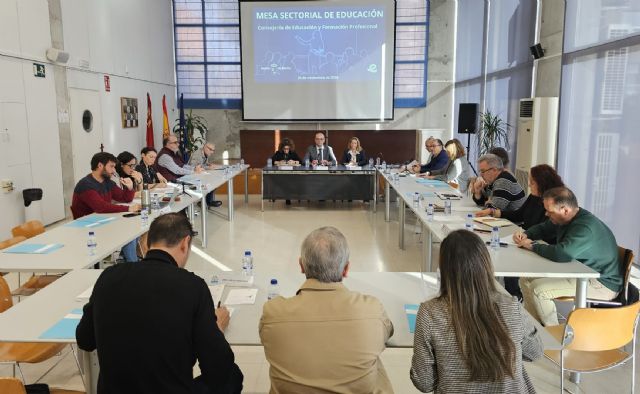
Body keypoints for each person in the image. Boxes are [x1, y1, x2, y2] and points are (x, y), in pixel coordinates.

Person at [76, 213, 243, 394]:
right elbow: (218, 365)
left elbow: (85, 340)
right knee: (231, 376)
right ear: (185, 243)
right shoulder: (193, 286)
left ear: (147, 243)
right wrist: (215, 328)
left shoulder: (109, 276)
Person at [260, 227, 394, 393]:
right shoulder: (373, 310)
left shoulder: (272, 312)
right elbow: (388, 333)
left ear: (301, 265)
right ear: (346, 269)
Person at [410, 230, 543, 393]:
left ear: (444, 268)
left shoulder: (429, 313)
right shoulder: (511, 306)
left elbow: (424, 383)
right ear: (486, 264)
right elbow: (535, 352)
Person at [514, 187, 623, 326]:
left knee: (537, 290)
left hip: (601, 284)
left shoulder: (585, 227)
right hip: (580, 271)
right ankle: (534, 329)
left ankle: (554, 337)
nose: (546, 214)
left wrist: (533, 246)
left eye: (549, 211)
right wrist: (527, 234)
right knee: (525, 278)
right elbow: (544, 228)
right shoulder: (565, 219)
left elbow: (561, 254)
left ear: (565, 210)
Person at [476, 164, 565, 299]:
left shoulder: (555, 202)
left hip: (543, 247)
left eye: (532, 182)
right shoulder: (534, 197)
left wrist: (528, 237)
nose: (529, 185)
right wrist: (493, 212)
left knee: (509, 260)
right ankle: (511, 295)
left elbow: (548, 230)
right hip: (526, 240)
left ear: (543, 182)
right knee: (504, 255)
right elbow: (519, 214)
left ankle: (514, 296)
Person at [70, 152, 141, 262]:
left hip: (103, 222)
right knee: (129, 234)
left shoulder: (107, 182)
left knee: (134, 230)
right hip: (87, 229)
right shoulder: (85, 184)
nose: (114, 170)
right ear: (100, 166)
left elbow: (124, 197)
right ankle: (133, 266)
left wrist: (129, 187)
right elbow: (101, 207)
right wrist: (128, 208)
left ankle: (125, 260)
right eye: (111, 166)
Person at [188, 142, 222, 208]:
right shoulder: (197, 154)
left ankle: (207, 201)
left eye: (213, 150)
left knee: (215, 181)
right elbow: (193, 167)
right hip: (192, 176)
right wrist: (208, 167)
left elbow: (203, 164)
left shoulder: (205, 154)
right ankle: (208, 202)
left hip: (199, 175)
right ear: (205, 147)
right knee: (211, 182)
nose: (212, 152)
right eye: (210, 149)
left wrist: (209, 164)